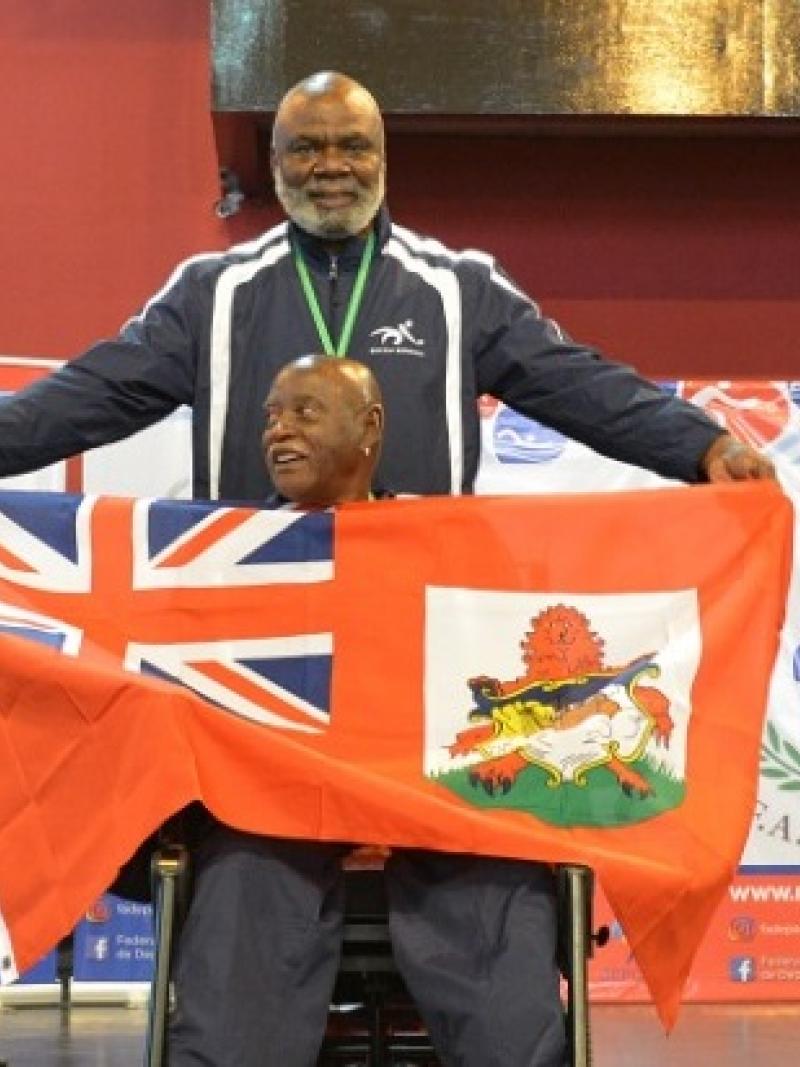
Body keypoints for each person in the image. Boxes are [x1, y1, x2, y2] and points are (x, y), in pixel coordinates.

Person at [0, 71, 775, 1065]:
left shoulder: (458, 289)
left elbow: (579, 383)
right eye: (304, 150)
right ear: (269, 167)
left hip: (430, 694)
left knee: (491, 928)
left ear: (383, 157)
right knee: (244, 937)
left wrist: (699, 446)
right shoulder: (211, 296)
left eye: (350, 147)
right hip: (264, 698)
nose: (330, 167)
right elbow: (84, 398)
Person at [169, 354, 569, 1067]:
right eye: (270, 416)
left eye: (305, 411)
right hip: (276, 804)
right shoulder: (227, 555)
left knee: (502, 866)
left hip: (428, 800)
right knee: (241, 873)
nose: (279, 431)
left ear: (369, 428)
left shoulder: (449, 547)